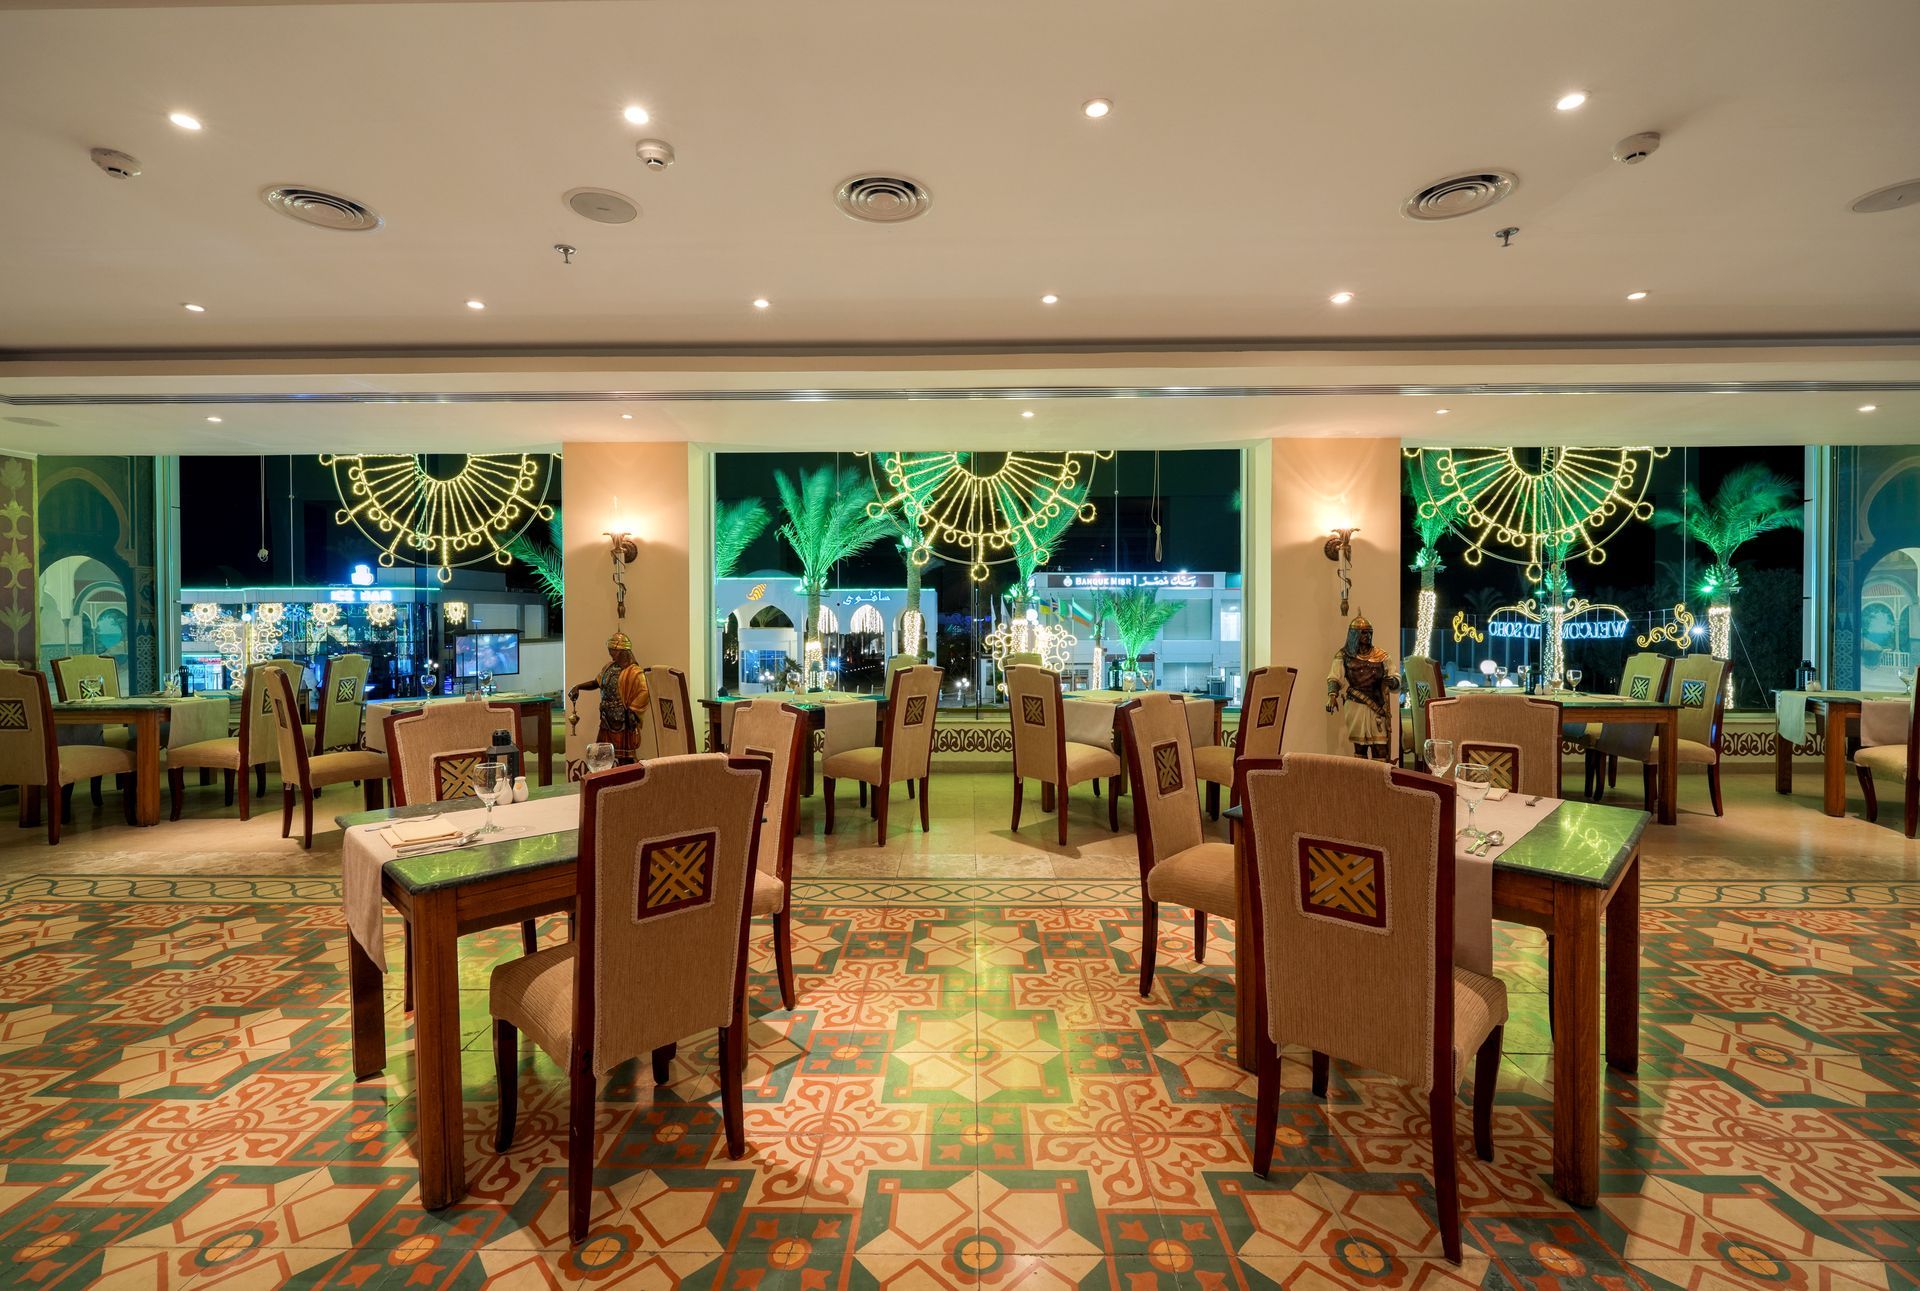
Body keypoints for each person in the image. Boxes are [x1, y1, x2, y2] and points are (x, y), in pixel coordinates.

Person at [1325, 613, 1401, 761]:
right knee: (1360, 748)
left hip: (1377, 705)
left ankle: (1380, 781)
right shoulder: (1344, 655)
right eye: (1363, 632)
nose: (1367, 636)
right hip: (1356, 705)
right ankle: (1361, 781)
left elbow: (1395, 675)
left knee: (1380, 748)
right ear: (1354, 635)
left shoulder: (1382, 655)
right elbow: (1334, 677)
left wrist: (1392, 682)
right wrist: (1332, 696)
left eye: (1368, 632)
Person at [568, 632, 650, 763]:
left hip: (622, 721)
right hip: (607, 718)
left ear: (623, 651)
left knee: (625, 758)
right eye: (610, 650)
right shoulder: (609, 667)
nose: (610, 654)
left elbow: (644, 692)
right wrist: (578, 687)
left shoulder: (634, 672)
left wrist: (633, 711)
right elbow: (597, 682)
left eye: (613, 651)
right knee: (602, 754)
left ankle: (628, 782)